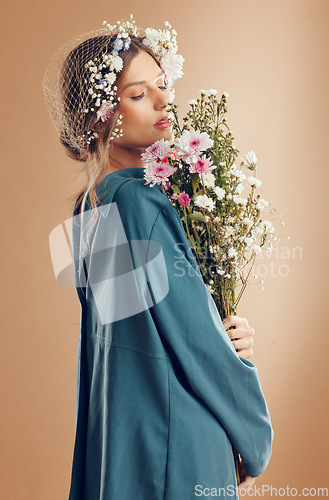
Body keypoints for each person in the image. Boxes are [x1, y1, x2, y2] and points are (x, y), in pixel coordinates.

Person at [43, 15, 273, 500]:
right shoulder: (140, 202)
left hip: (125, 447)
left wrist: (224, 329)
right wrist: (254, 436)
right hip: (179, 444)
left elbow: (140, 346)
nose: (164, 100)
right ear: (100, 113)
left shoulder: (90, 211)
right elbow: (193, 342)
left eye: (163, 86)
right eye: (138, 93)